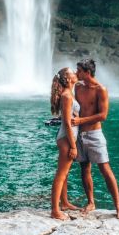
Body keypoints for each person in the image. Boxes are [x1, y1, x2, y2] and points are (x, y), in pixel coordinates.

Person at [71, 58, 119, 219]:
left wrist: (80, 120)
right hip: (79, 134)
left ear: (87, 72)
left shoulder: (101, 89)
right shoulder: (78, 87)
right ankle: (91, 202)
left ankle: (118, 205)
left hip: (94, 135)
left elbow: (103, 115)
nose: (76, 73)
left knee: (105, 169)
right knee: (84, 168)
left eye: (79, 70)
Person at [49, 67, 81, 220]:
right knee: (61, 174)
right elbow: (67, 124)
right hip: (66, 139)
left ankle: (65, 203)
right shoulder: (67, 96)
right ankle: (55, 210)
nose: (76, 73)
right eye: (72, 72)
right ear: (68, 79)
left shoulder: (69, 94)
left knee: (65, 174)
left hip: (67, 138)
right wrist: (73, 146)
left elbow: (67, 116)